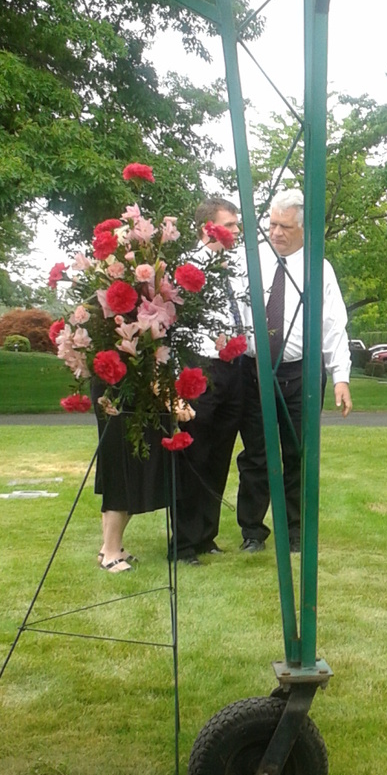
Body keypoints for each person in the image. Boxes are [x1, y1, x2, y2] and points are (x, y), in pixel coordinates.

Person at [234, 187, 352, 553]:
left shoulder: (319, 269)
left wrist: (341, 377)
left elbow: (334, 325)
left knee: (298, 454)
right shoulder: (250, 262)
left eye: (285, 226)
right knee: (256, 454)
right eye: (272, 224)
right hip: (256, 372)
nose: (276, 232)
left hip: (302, 374)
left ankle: (296, 533)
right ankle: (252, 532)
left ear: (302, 228)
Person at [171, 197, 244, 565]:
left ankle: (205, 536)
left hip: (234, 369)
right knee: (195, 455)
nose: (236, 231)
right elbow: (173, 324)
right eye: (229, 225)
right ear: (207, 228)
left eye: (236, 225)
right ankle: (182, 544)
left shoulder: (233, 267)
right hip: (200, 367)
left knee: (219, 455)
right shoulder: (186, 268)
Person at [93, 385, 169, 572]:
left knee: (134, 471)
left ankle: (111, 546)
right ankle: (111, 552)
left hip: (134, 393)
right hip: (118, 393)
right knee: (119, 471)